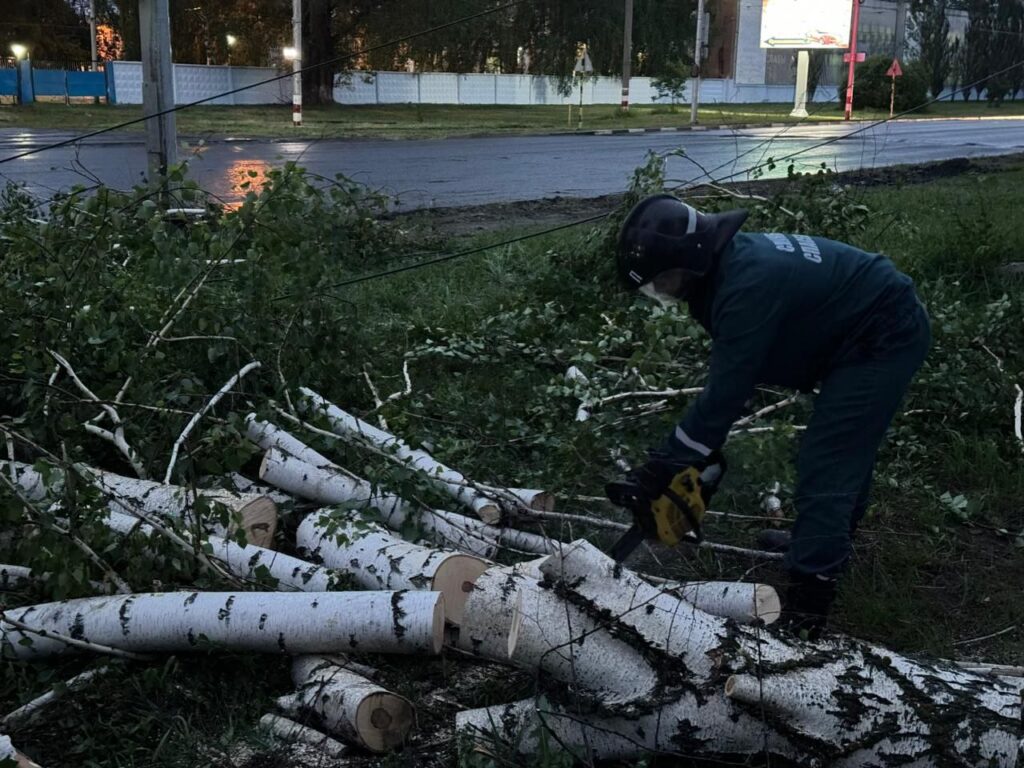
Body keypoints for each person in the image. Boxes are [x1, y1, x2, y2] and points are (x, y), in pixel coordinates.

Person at [614, 193, 930, 638]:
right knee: (843, 450)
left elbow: (726, 393)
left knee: (830, 456)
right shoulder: (728, 267)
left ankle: (811, 596)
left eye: (662, 281)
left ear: (691, 257)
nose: (662, 292)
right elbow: (738, 368)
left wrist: (669, 460)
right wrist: (688, 447)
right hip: (856, 326)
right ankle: (824, 539)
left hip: (884, 333)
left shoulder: (746, 285)